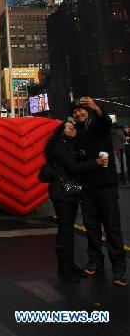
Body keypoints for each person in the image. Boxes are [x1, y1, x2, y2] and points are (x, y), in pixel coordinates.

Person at [72, 97, 128, 286]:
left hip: (106, 185)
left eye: (80, 110)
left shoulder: (99, 124)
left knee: (112, 228)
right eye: (75, 112)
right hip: (87, 187)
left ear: (87, 110)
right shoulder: (76, 131)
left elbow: (106, 121)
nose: (78, 114)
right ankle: (96, 260)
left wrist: (96, 107)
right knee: (92, 227)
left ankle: (119, 268)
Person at [43, 120, 106, 281]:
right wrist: (96, 163)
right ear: (61, 131)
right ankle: (64, 269)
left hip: (69, 193)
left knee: (68, 229)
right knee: (65, 230)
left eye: (73, 127)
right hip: (62, 193)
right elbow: (73, 167)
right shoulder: (60, 146)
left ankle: (69, 265)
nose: (72, 129)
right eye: (68, 127)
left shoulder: (69, 145)